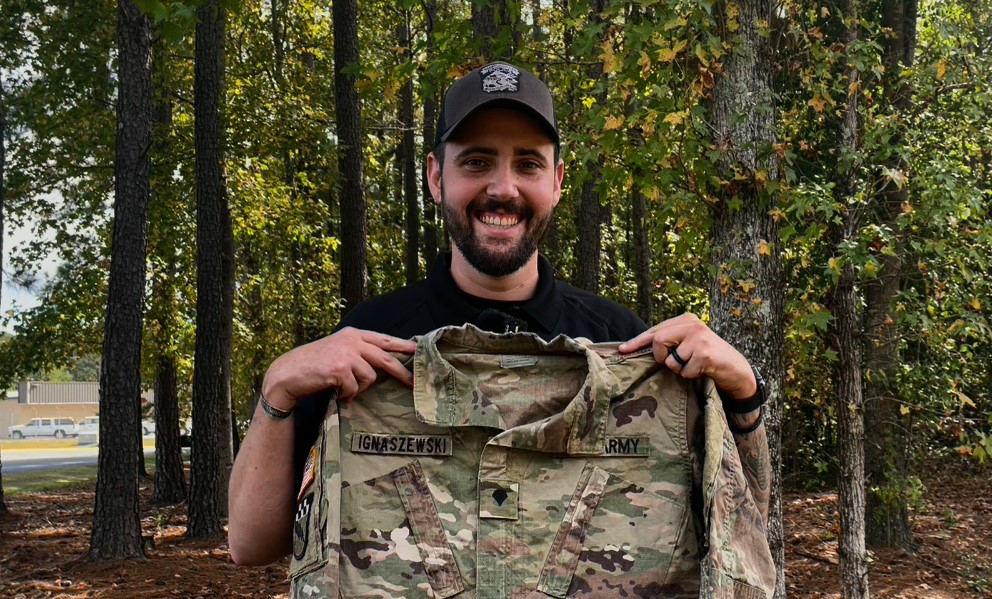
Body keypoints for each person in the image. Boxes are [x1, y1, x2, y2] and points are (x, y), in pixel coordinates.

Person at [228, 61, 769, 568]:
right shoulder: (366, 343)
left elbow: (737, 538)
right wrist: (279, 388)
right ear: (437, 177)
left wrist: (744, 395)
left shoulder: (623, 346)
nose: (503, 189)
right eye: (477, 161)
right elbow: (253, 544)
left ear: (557, 182)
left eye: (528, 163)